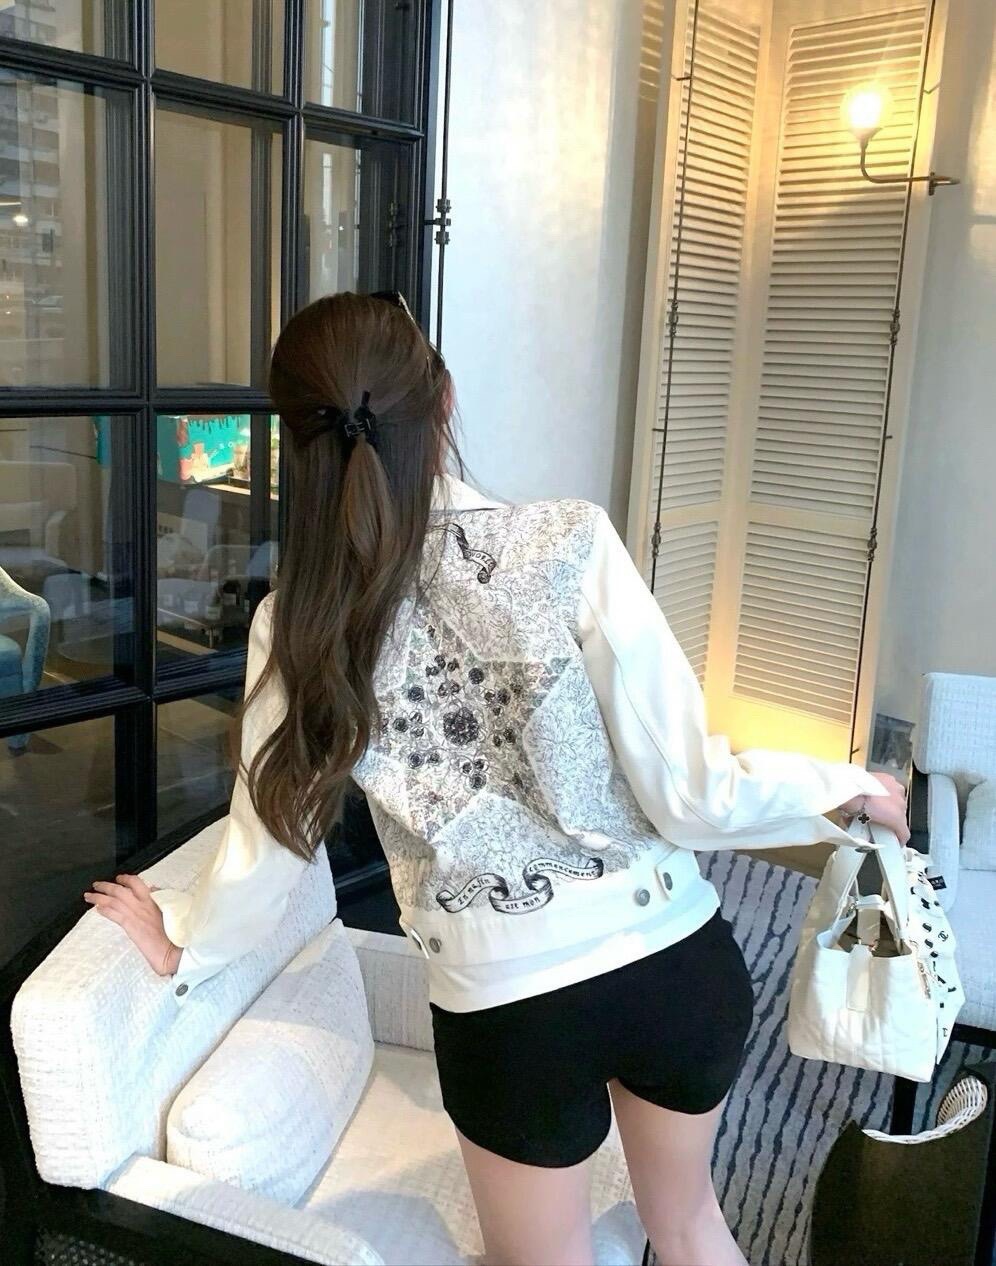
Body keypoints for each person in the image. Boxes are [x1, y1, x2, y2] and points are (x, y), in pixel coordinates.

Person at [84, 291, 909, 1266]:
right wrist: (836, 786)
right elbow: (692, 792)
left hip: (510, 1014)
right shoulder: (569, 541)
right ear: (443, 401)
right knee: (689, 1226)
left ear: (294, 443)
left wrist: (185, 938)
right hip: (677, 964)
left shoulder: (297, 620)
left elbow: (271, 845)